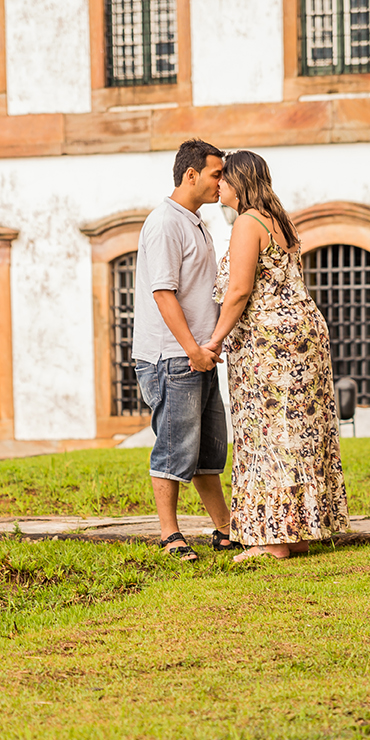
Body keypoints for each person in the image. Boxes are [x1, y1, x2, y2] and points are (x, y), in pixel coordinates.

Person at [205, 150, 349, 561]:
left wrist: (215, 339)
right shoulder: (278, 219)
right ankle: (298, 530)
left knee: (269, 432)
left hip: (270, 341)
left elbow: (238, 291)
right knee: (299, 429)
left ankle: (275, 540)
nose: (219, 186)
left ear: (239, 182)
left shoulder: (247, 223)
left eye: (224, 179)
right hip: (303, 332)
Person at [133, 139, 239, 562]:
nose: (222, 182)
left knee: (209, 450)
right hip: (172, 356)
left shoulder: (194, 222)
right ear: (190, 174)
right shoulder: (164, 223)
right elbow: (162, 293)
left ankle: (225, 529)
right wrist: (192, 348)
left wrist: (206, 347)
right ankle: (169, 534)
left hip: (199, 355)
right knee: (175, 447)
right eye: (216, 173)